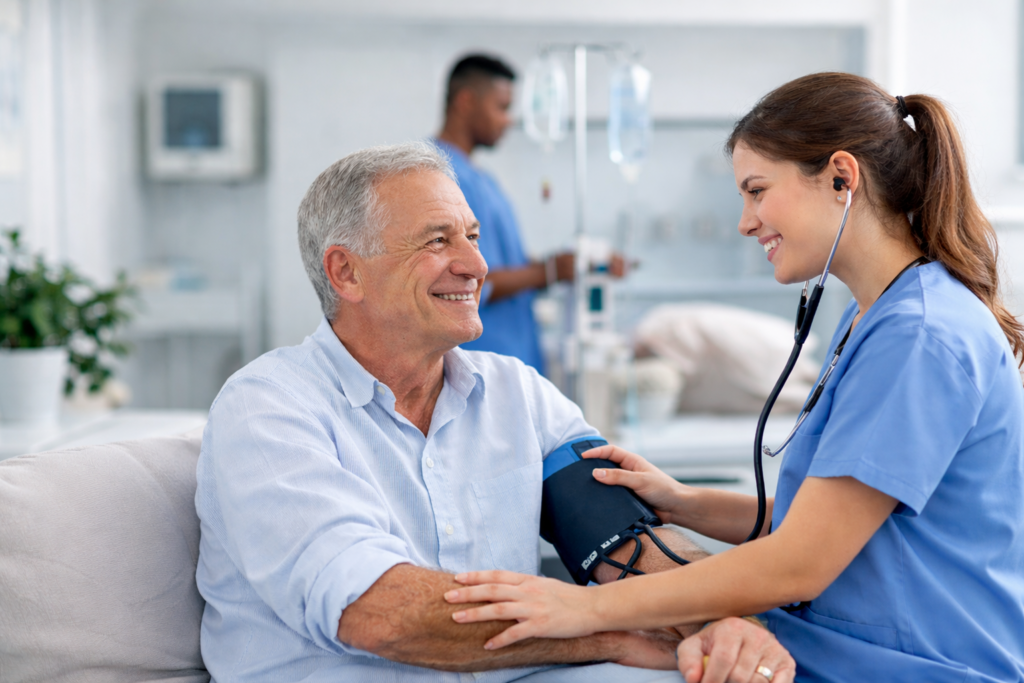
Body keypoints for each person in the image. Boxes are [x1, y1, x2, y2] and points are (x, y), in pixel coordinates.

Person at [444, 73, 1024, 683]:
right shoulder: (880, 316)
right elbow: (833, 518)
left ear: (841, 178)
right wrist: (687, 503)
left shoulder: (919, 336)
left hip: (918, 666)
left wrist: (583, 607)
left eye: (756, 191)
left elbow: (801, 562)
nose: (746, 222)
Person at [193, 141, 789, 682]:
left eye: (472, 237)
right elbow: (380, 612)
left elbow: (619, 541)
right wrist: (611, 635)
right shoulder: (268, 409)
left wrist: (724, 623)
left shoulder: (516, 394)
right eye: (437, 241)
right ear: (346, 272)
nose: (476, 267)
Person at [434, 54, 623, 373]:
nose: (509, 120)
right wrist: (549, 271)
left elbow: (507, 266)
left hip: (511, 354)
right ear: (465, 102)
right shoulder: (437, 176)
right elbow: (467, 278)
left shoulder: (481, 179)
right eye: (502, 108)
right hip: (479, 360)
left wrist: (572, 266)